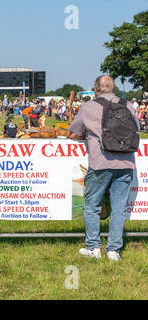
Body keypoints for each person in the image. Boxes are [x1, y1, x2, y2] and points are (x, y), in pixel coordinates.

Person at [69, 75, 139, 261]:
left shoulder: (88, 107)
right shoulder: (127, 105)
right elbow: (137, 127)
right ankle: (113, 250)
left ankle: (93, 247)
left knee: (92, 206)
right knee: (119, 208)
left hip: (100, 161)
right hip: (125, 161)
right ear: (113, 88)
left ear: (95, 89)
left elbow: (74, 131)